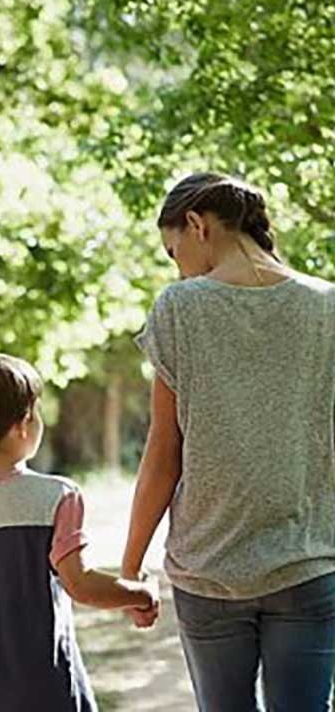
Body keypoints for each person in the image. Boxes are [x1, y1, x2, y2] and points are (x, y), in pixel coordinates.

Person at [121, 172, 335, 711]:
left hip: (207, 569)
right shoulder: (326, 306)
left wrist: (131, 567)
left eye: (174, 252)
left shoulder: (180, 307)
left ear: (197, 225)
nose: (178, 268)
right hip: (307, 563)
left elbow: (163, 452)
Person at [0, 354, 159, 712]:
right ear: (23, 424)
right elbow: (81, 585)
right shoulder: (56, 496)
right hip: (46, 689)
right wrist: (141, 594)